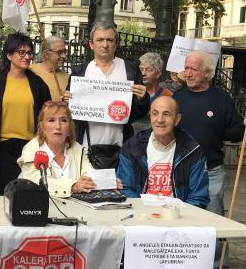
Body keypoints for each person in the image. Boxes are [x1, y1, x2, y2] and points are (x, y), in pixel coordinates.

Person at [172, 50, 246, 269]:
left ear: (207, 72)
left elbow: (235, 133)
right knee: (179, 220)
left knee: (215, 220)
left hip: (211, 170)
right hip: (180, 172)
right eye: (186, 68)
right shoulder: (177, 97)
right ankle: (182, 265)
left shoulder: (221, 98)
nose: (188, 73)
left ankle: (220, 268)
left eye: (193, 69)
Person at [63, 21, 150, 168]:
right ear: (91, 44)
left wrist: (142, 98)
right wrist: (65, 102)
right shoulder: (80, 73)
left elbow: (140, 112)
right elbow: (69, 113)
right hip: (86, 147)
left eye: (110, 40)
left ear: (116, 44)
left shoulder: (130, 69)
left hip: (122, 146)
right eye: (100, 40)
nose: (105, 45)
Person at [0, 32, 51, 193]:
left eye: (29, 53)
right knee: (6, 193)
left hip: (30, 147)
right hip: (2, 148)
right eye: (21, 52)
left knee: (29, 193)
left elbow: (47, 115)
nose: (27, 57)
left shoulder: (38, 84)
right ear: (9, 55)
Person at [118, 96, 209, 208]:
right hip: (142, 213)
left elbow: (198, 197)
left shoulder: (192, 151)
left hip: (178, 214)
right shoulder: (132, 147)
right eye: (155, 113)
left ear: (177, 119)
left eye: (166, 114)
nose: (160, 120)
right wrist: (143, 212)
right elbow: (125, 189)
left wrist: (176, 214)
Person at [18, 101, 96, 197]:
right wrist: (72, 186)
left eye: (63, 120)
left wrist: (96, 182)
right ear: (42, 126)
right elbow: (37, 182)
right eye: (51, 120)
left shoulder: (78, 149)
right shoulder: (31, 149)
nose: (58, 126)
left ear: (70, 127)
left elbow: (89, 175)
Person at [133, 52, 173, 132]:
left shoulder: (167, 95)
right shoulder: (131, 92)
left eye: (148, 70)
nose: (143, 73)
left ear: (158, 74)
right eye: (141, 69)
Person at [29, 35, 70, 101]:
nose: (64, 56)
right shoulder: (30, 71)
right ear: (46, 54)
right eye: (59, 52)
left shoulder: (68, 78)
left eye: (64, 52)